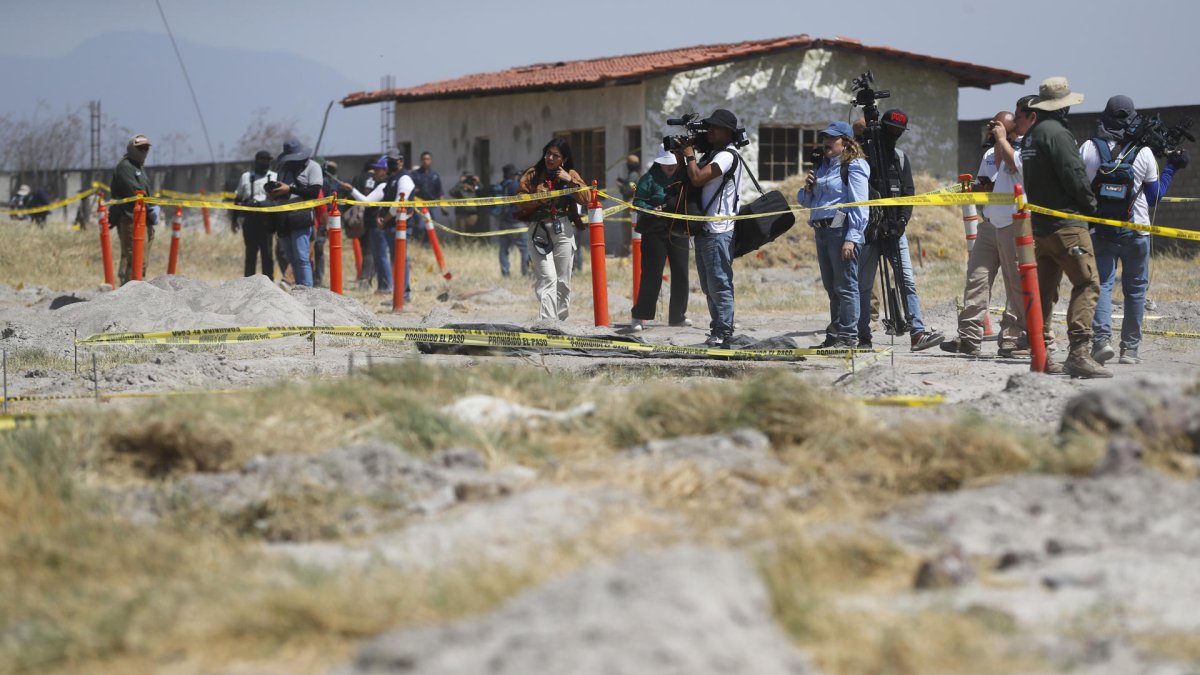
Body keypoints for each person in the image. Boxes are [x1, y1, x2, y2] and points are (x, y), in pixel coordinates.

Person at [1082, 95, 1189, 365]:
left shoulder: (1088, 148)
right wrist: (1172, 169)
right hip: (1137, 232)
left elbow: (1079, 189)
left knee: (1103, 286)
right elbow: (1154, 198)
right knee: (1136, 291)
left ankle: (1101, 342)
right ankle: (1129, 350)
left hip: (1101, 231)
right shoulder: (1144, 154)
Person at [1020, 77, 1108, 378]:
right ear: (1062, 107)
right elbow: (1073, 173)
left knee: (1045, 291)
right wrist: (1091, 205)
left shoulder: (1031, 136)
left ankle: (1041, 353)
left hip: (1041, 228)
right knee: (1087, 283)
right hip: (1067, 225)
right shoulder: (1058, 134)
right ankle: (1080, 353)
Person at [942, 97, 1037, 357]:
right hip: (990, 223)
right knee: (977, 279)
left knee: (1014, 283)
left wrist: (1003, 142)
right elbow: (987, 183)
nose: (994, 129)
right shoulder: (990, 152)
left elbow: (1013, 166)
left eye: (1001, 126)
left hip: (1014, 224)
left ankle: (1012, 336)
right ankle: (969, 337)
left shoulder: (1024, 149)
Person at [856, 109, 943, 351]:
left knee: (907, 282)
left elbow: (908, 194)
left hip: (896, 231)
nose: (895, 134)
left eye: (899, 132)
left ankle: (917, 332)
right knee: (864, 285)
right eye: (891, 130)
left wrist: (901, 222)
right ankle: (863, 336)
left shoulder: (901, 158)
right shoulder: (863, 160)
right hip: (869, 233)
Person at [797, 121, 869, 349]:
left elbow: (859, 204)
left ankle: (848, 337)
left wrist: (852, 237)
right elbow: (804, 200)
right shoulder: (821, 167)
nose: (826, 142)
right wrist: (808, 187)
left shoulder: (854, 166)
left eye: (832, 138)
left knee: (846, 286)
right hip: (821, 230)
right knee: (832, 287)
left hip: (841, 229)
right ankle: (835, 334)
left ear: (846, 142)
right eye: (824, 138)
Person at [677, 109, 744, 347]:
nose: (710, 131)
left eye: (715, 127)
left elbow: (697, 178)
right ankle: (717, 329)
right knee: (708, 285)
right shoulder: (715, 153)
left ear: (729, 132)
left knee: (719, 283)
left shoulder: (727, 156)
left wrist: (689, 155)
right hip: (706, 229)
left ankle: (724, 331)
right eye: (709, 127)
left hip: (719, 229)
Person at [513, 137, 590, 321]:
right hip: (538, 229)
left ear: (563, 159)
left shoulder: (571, 173)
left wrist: (570, 180)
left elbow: (586, 197)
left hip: (562, 228)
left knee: (563, 281)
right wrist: (539, 198)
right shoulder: (532, 174)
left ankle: (560, 321)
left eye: (556, 155)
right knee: (548, 278)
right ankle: (548, 323)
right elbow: (519, 201)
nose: (550, 158)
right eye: (548, 153)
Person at [629, 146, 691, 331]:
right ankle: (640, 316)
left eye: (673, 163)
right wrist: (651, 210)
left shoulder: (683, 176)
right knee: (652, 274)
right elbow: (637, 202)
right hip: (654, 230)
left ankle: (677, 316)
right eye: (667, 164)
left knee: (681, 273)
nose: (670, 167)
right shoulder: (648, 179)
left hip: (678, 229)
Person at [342, 155, 415, 301]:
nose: (375, 172)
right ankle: (397, 292)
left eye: (378, 169)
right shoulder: (387, 184)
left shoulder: (401, 179)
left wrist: (384, 219)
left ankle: (397, 292)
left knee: (393, 258)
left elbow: (397, 204)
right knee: (393, 258)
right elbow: (370, 202)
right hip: (388, 226)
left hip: (394, 225)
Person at [270, 138, 323, 288]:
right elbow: (284, 190)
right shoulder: (283, 169)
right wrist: (276, 193)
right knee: (291, 258)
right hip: (283, 217)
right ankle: (298, 287)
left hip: (301, 216)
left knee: (302, 257)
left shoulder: (313, 167)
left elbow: (314, 192)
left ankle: (307, 289)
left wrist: (290, 189)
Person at [110, 134, 154, 285]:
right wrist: (151, 207)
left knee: (139, 261)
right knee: (134, 259)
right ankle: (128, 294)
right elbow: (135, 192)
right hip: (131, 219)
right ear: (131, 149)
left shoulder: (138, 167)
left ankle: (129, 290)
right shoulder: (126, 167)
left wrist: (152, 208)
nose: (144, 151)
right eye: (140, 148)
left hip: (143, 219)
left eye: (146, 148)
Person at [233, 149, 278, 279]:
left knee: (267, 254)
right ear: (256, 161)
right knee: (250, 253)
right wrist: (234, 220)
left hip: (267, 220)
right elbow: (238, 198)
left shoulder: (274, 177)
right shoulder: (246, 177)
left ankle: (269, 283)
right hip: (250, 219)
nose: (265, 163)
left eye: (268, 160)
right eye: (263, 160)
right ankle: (248, 283)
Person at [495, 163, 529, 277]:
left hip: (503, 222)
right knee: (525, 248)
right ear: (513, 174)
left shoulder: (501, 185)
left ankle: (505, 272)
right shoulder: (515, 185)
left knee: (504, 249)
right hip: (517, 223)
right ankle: (526, 272)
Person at [409, 151, 444, 245]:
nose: (426, 161)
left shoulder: (435, 175)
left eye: (428, 159)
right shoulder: (415, 174)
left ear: (431, 160)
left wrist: (443, 206)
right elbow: (410, 189)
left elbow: (440, 191)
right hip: (420, 204)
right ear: (421, 160)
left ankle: (426, 245)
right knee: (420, 226)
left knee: (432, 226)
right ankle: (416, 243)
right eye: (424, 159)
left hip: (432, 204)